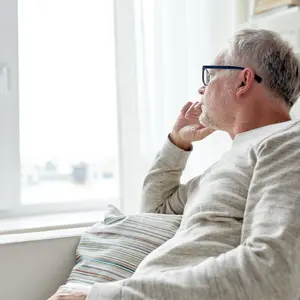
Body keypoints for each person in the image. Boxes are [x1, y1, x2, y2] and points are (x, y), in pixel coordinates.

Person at [58, 28, 300, 299]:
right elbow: (154, 211)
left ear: (243, 82)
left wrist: (104, 296)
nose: (201, 88)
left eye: (210, 76)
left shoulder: (288, 142)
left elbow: (274, 271)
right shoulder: (232, 162)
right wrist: (176, 143)